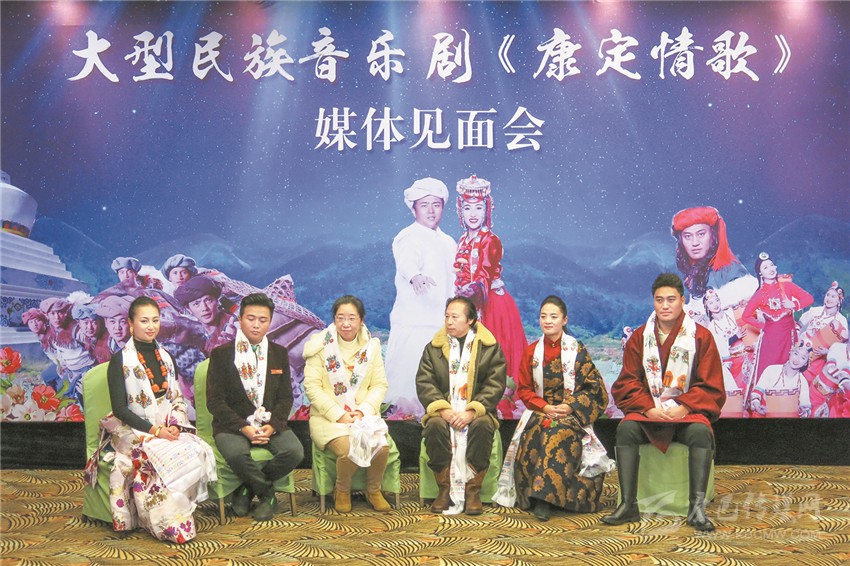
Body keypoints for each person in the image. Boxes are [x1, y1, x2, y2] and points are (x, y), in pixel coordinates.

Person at [601, 273, 725, 532]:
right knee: (626, 429)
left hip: (685, 414)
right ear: (653, 302)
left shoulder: (700, 337)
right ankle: (628, 505)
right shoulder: (640, 337)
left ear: (682, 301)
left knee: (701, 433)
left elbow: (710, 384)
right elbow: (627, 382)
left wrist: (684, 407)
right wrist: (648, 408)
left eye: (671, 299)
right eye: (659, 300)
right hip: (650, 412)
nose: (665, 306)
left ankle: (696, 509)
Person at [97, 296, 215, 543]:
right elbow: (120, 409)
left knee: (194, 449)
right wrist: (155, 431)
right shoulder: (120, 360)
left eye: (155, 320)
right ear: (131, 323)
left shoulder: (166, 356)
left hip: (165, 424)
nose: (151, 326)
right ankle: (166, 525)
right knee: (157, 459)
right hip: (131, 428)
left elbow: (176, 398)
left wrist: (174, 425)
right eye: (144, 321)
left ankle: (178, 517)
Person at [497, 295, 610, 521]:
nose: (548, 321)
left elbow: (594, 388)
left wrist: (570, 406)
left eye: (553, 316)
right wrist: (545, 407)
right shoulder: (531, 352)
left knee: (557, 432)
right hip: (540, 411)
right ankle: (538, 497)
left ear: (564, 320)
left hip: (571, 413)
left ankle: (544, 499)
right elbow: (525, 389)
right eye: (543, 316)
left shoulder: (577, 350)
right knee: (539, 429)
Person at [206, 293, 304, 521]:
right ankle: (267, 495)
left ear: (270, 322)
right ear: (240, 319)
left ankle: (246, 490)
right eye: (251, 318)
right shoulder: (221, 354)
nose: (256, 325)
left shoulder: (278, 353)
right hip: (233, 425)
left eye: (263, 320)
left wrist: (273, 425)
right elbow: (215, 401)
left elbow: (285, 397)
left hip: (269, 423)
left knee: (295, 452)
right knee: (236, 454)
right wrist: (244, 427)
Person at [416, 296, 507, 515]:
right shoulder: (434, 348)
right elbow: (425, 382)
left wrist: (473, 410)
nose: (449, 321)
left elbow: (495, 383)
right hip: (444, 410)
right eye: (447, 316)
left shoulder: (489, 347)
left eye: (455, 317)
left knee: (482, 425)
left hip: (477, 411)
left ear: (470, 320)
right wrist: (443, 409)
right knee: (434, 426)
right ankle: (444, 488)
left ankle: (472, 489)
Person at [303, 295, 391, 513]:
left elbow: (379, 385)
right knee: (349, 448)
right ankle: (342, 490)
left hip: (363, 416)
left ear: (361, 320)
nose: (346, 323)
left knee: (382, 447)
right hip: (328, 418)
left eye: (352, 318)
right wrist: (339, 414)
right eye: (340, 318)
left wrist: (362, 411)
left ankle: (374, 490)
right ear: (334, 319)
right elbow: (312, 387)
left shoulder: (371, 347)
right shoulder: (320, 346)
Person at [453, 175, 528, 419]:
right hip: (470, 306)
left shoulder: (490, 240)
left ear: (487, 210)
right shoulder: (463, 240)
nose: (473, 214)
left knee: (495, 352)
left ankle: (497, 400)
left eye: (478, 208)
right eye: (467, 208)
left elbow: (482, 277)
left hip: (492, 305)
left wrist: (467, 298)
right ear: (460, 211)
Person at [385, 178, 457, 419]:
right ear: (413, 208)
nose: (430, 211)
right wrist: (415, 276)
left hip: (441, 323)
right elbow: (406, 263)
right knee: (407, 380)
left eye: (436, 204)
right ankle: (402, 422)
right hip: (414, 322)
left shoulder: (449, 242)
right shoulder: (407, 236)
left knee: (438, 382)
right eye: (424, 205)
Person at [671, 206, 758, 319]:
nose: (695, 242)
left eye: (701, 234)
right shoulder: (698, 271)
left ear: (713, 235)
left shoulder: (728, 269)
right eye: (688, 236)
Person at [742, 252, 814, 388]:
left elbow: (809, 298)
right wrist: (763, 326)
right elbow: (746, 316)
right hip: (771, 340)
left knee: (790, 367)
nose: (770, 269)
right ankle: (762, 399)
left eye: (771, 265)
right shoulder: (759, 295)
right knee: (769, 368)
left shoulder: (787, 286)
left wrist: (795, 304)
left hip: (789, 337)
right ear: (760, 273)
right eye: (765, 267)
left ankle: (788, 398)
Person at [798, 282, 848, 388]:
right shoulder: (814, 311)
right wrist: (798, 339)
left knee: (807, 384)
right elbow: (799, 325)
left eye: (833, 296)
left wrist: (827, 352)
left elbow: (842, 348)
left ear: (839, 301)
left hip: (819, 358)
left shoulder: (841, 320)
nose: (829, 298)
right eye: (828, 295)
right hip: (801, 349)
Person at [175, 275, 239, 356]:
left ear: (217, 301)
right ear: (189, 309)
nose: (204, 308)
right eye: (196, 304)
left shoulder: (233, 326)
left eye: (208, 300)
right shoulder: (193, 334)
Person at [749, 343, 812, 418]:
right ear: (790, 352)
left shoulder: (802, 382)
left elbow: (806, 409)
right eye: (796, 354)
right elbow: (756, 393)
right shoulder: (771, 370)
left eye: (803, 358)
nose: (797, 359)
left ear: (806, 363)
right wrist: (757, 406)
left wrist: (801, 411)